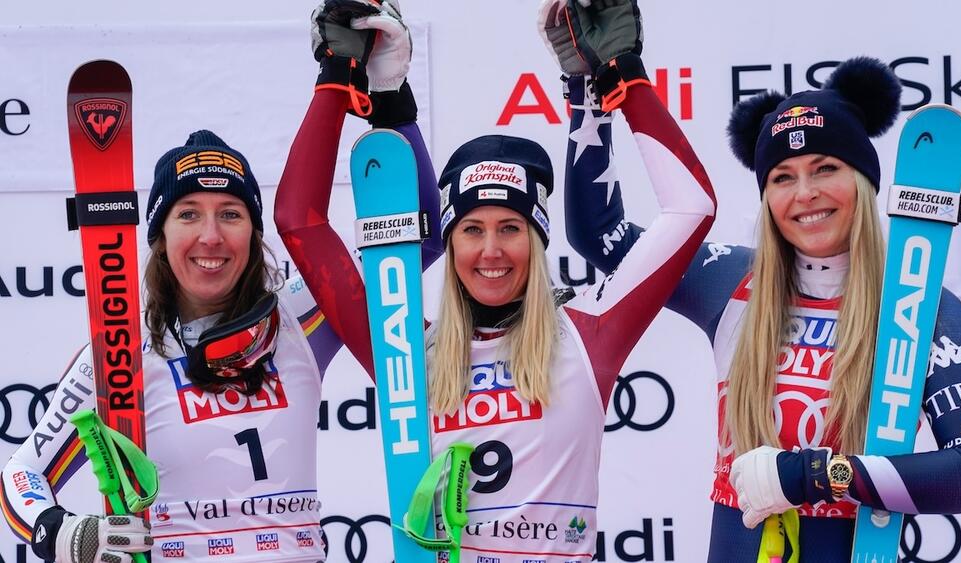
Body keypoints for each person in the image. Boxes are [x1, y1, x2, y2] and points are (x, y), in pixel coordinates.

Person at [275, 1, 715, 560]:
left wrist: (623, 73)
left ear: (535, 241)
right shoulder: (402, 346)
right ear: (449, 241)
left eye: (510, 228)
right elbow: (299, 220)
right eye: (472, 230)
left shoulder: (587, 335)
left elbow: (691, 210)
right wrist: (342, 79)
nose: (490, 251)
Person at [0, 4, 439, 562]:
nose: (211, 236)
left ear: (254, 235)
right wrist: (62, 532)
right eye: (188, 215)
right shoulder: (121, 350)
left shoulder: (298, 315)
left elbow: (413, 241)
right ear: (160, 236)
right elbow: (20, 478)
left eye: (231, 214)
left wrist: (390, 98)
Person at [562, 43, 961, 562]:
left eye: (826, 168)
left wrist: (815, 475)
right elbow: (601, 234)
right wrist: (595, 89)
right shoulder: (728, 280)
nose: (805, 192)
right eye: (783, 177)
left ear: (863, 180)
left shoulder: (918, 305)